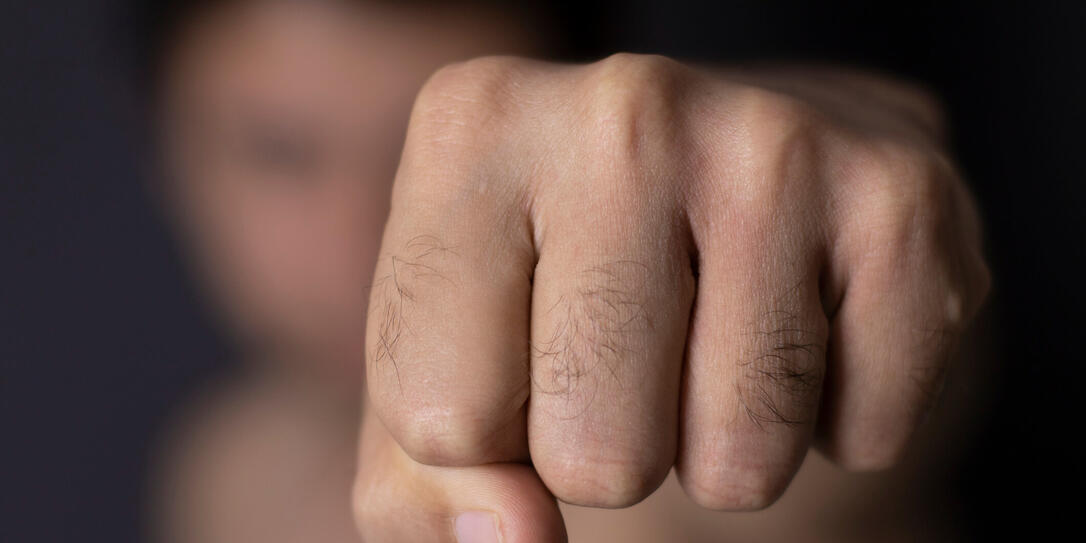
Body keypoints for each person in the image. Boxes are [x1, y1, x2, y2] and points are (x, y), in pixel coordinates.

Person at [142, 0, 989, 541]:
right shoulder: (224, 468)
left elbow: (863, 412)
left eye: (429, 157)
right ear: (167, 147)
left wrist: (821, 208)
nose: (360, 242)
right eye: (281, 153)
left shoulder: (686, 460)